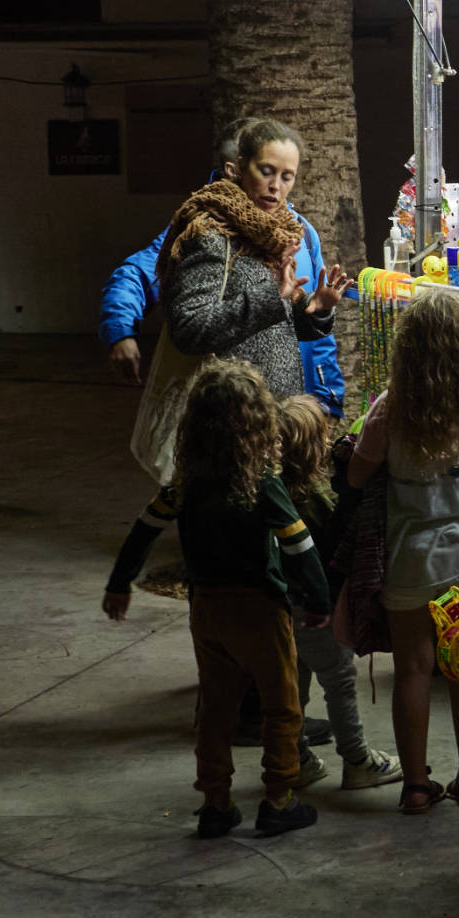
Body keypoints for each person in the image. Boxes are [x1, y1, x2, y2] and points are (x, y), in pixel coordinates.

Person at [102, 358, 331, 838]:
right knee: (281, 704)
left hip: (205, 608)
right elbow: (300, 543)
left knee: (216, 707)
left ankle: (215, 802)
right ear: (259, 423)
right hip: (260, 608)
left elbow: (144, 528)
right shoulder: (264, 487)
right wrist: (319, 599)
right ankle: (279, 798)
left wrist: (120, 583)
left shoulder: (185, 486)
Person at [346, 287, 459, 816]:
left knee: (415, 670)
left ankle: (416, 786)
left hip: (409, 558)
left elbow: (355, 474)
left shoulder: (389, 409)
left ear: (407, 349)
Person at [101, 116, 345, 418]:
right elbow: (145, 281)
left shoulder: (294, 232)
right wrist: (120, 330)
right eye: (266, 169)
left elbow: (290, 326)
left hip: (286, 410)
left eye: (287, 175)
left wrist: (328, 395)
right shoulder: (205, 230)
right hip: (231, 415)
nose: (275, 186)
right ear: (237, 167)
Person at [274, 394, 401, 792]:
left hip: (280, 610)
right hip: (318, 610)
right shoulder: (320, 501)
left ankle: (296, 758)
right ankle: (358, 759)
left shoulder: (273, 494)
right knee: (340, 683)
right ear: (316, 447)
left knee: (293, 686)